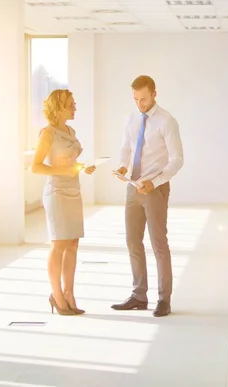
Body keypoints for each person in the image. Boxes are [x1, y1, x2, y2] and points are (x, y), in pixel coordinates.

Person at [111, 75, 184, 317]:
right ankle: (138, 296)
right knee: (132, 241)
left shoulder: (167, 121)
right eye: (135, 99)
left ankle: (164, 299)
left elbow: (177, 160)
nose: (139, 104)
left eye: (143, 99)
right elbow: (126, 148)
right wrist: (123, 167)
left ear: (154, 93)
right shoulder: (131, 118)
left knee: (158, 244)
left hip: (155, 188)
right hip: (133, 187)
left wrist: (155, 182)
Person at [31, 89, 96, 316]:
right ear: (58, 108)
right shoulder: (48, 133)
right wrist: (66, 170)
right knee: (59, 245)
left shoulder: (70, 130)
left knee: (73, 244)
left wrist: (82, 166)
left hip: (73, 190)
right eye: (71, 104)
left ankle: (69, 293)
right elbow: (36, 166)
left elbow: (71, 161)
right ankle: (56, 295)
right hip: (57, 192)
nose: (75, 108)